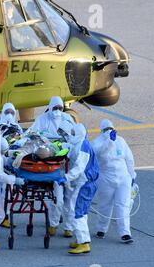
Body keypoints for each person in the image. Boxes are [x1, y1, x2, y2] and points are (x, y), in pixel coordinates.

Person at [29, 96, 75, 238]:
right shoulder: (42, 120)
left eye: (60, 108)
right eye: (54, 108)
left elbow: (74, 136)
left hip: (66, 163)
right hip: (50, 164)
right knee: (58, 198)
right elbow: (31, 133)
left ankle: (69, 227)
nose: (57, 111)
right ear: (49, 107)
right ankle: (53, 224)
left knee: (70, 199)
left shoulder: (68, 119)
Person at [92, 119, 136, 243]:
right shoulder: (97, 142)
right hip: (106, 178)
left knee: (123, 205)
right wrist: (109, 142)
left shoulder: (121, 141)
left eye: (111, 129)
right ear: (101, 131)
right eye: (106, 130)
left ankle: (125, 233)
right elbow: (99, 154)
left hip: (123, 178)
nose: (109, 132)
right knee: (104, 205)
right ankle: (101, 229)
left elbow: (129, 159)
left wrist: (132, 175)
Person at [58, 122, 99, 254]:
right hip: (85, 182)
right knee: (82, 211)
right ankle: (80, 238)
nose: (71, 135)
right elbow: (69, 151)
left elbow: (79, 168)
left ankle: (84, 243)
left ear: (79, 133)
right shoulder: (79, 144)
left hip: (85, 183)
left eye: (73, 133)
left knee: (77, 211)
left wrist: (66, 178)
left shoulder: (83, 146)